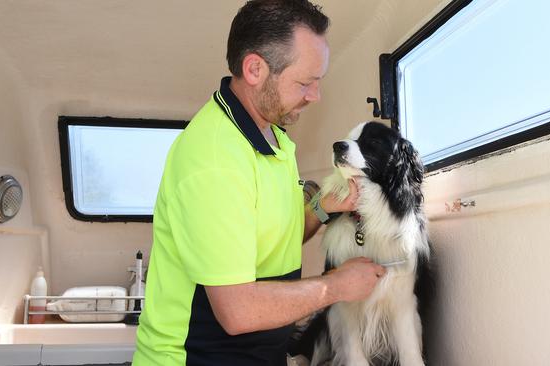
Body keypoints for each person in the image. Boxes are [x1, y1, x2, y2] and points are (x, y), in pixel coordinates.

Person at [132, 1, 386, 365]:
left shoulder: (274, 139)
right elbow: (237, 312)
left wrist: (323, 206)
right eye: (305, 82)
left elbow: (274, 240)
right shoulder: (215, 159)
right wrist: (336, 286)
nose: (315, 95)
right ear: (254, 69)